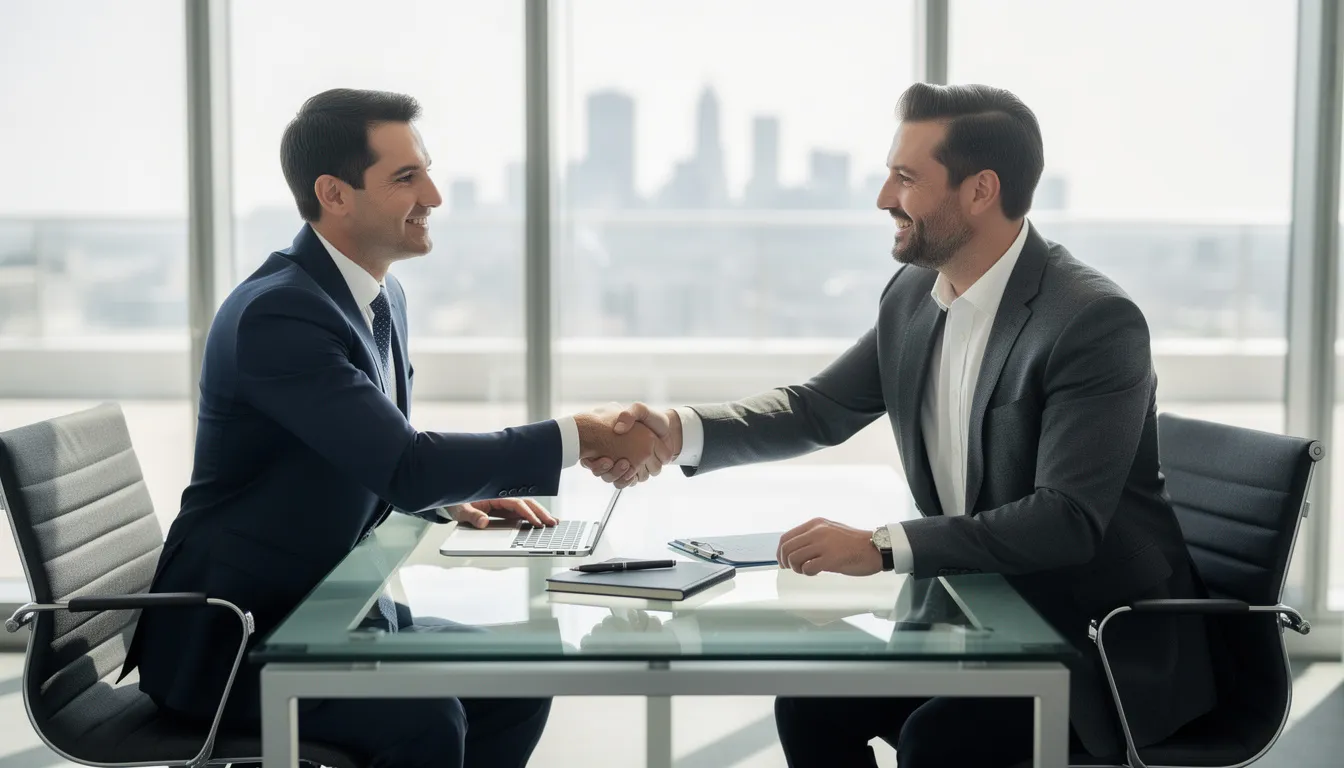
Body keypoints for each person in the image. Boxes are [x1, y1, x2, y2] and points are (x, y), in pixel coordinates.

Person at [583, 83, 1218, 767]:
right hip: (970, 614)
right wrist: (675, 429)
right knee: (810, 701)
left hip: (1091, 644)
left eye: (906, 178)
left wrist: (882, 546)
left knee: (940, 741)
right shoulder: (916, 294)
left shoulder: (1090, 322)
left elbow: (1064, 520)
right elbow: (818, 409)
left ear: (980, 190)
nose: (884, 197)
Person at [120, 88, 669, 768]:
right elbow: (404, 462)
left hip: (339, 614)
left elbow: (368, 454)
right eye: (406, 178)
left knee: (521, 673)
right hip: (240, 641)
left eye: (427, 171)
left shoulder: (377, 298)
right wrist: (578, 436)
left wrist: (450, 498)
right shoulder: (280, 314)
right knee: (423, 719)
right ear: (335, 194)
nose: (434, 196)